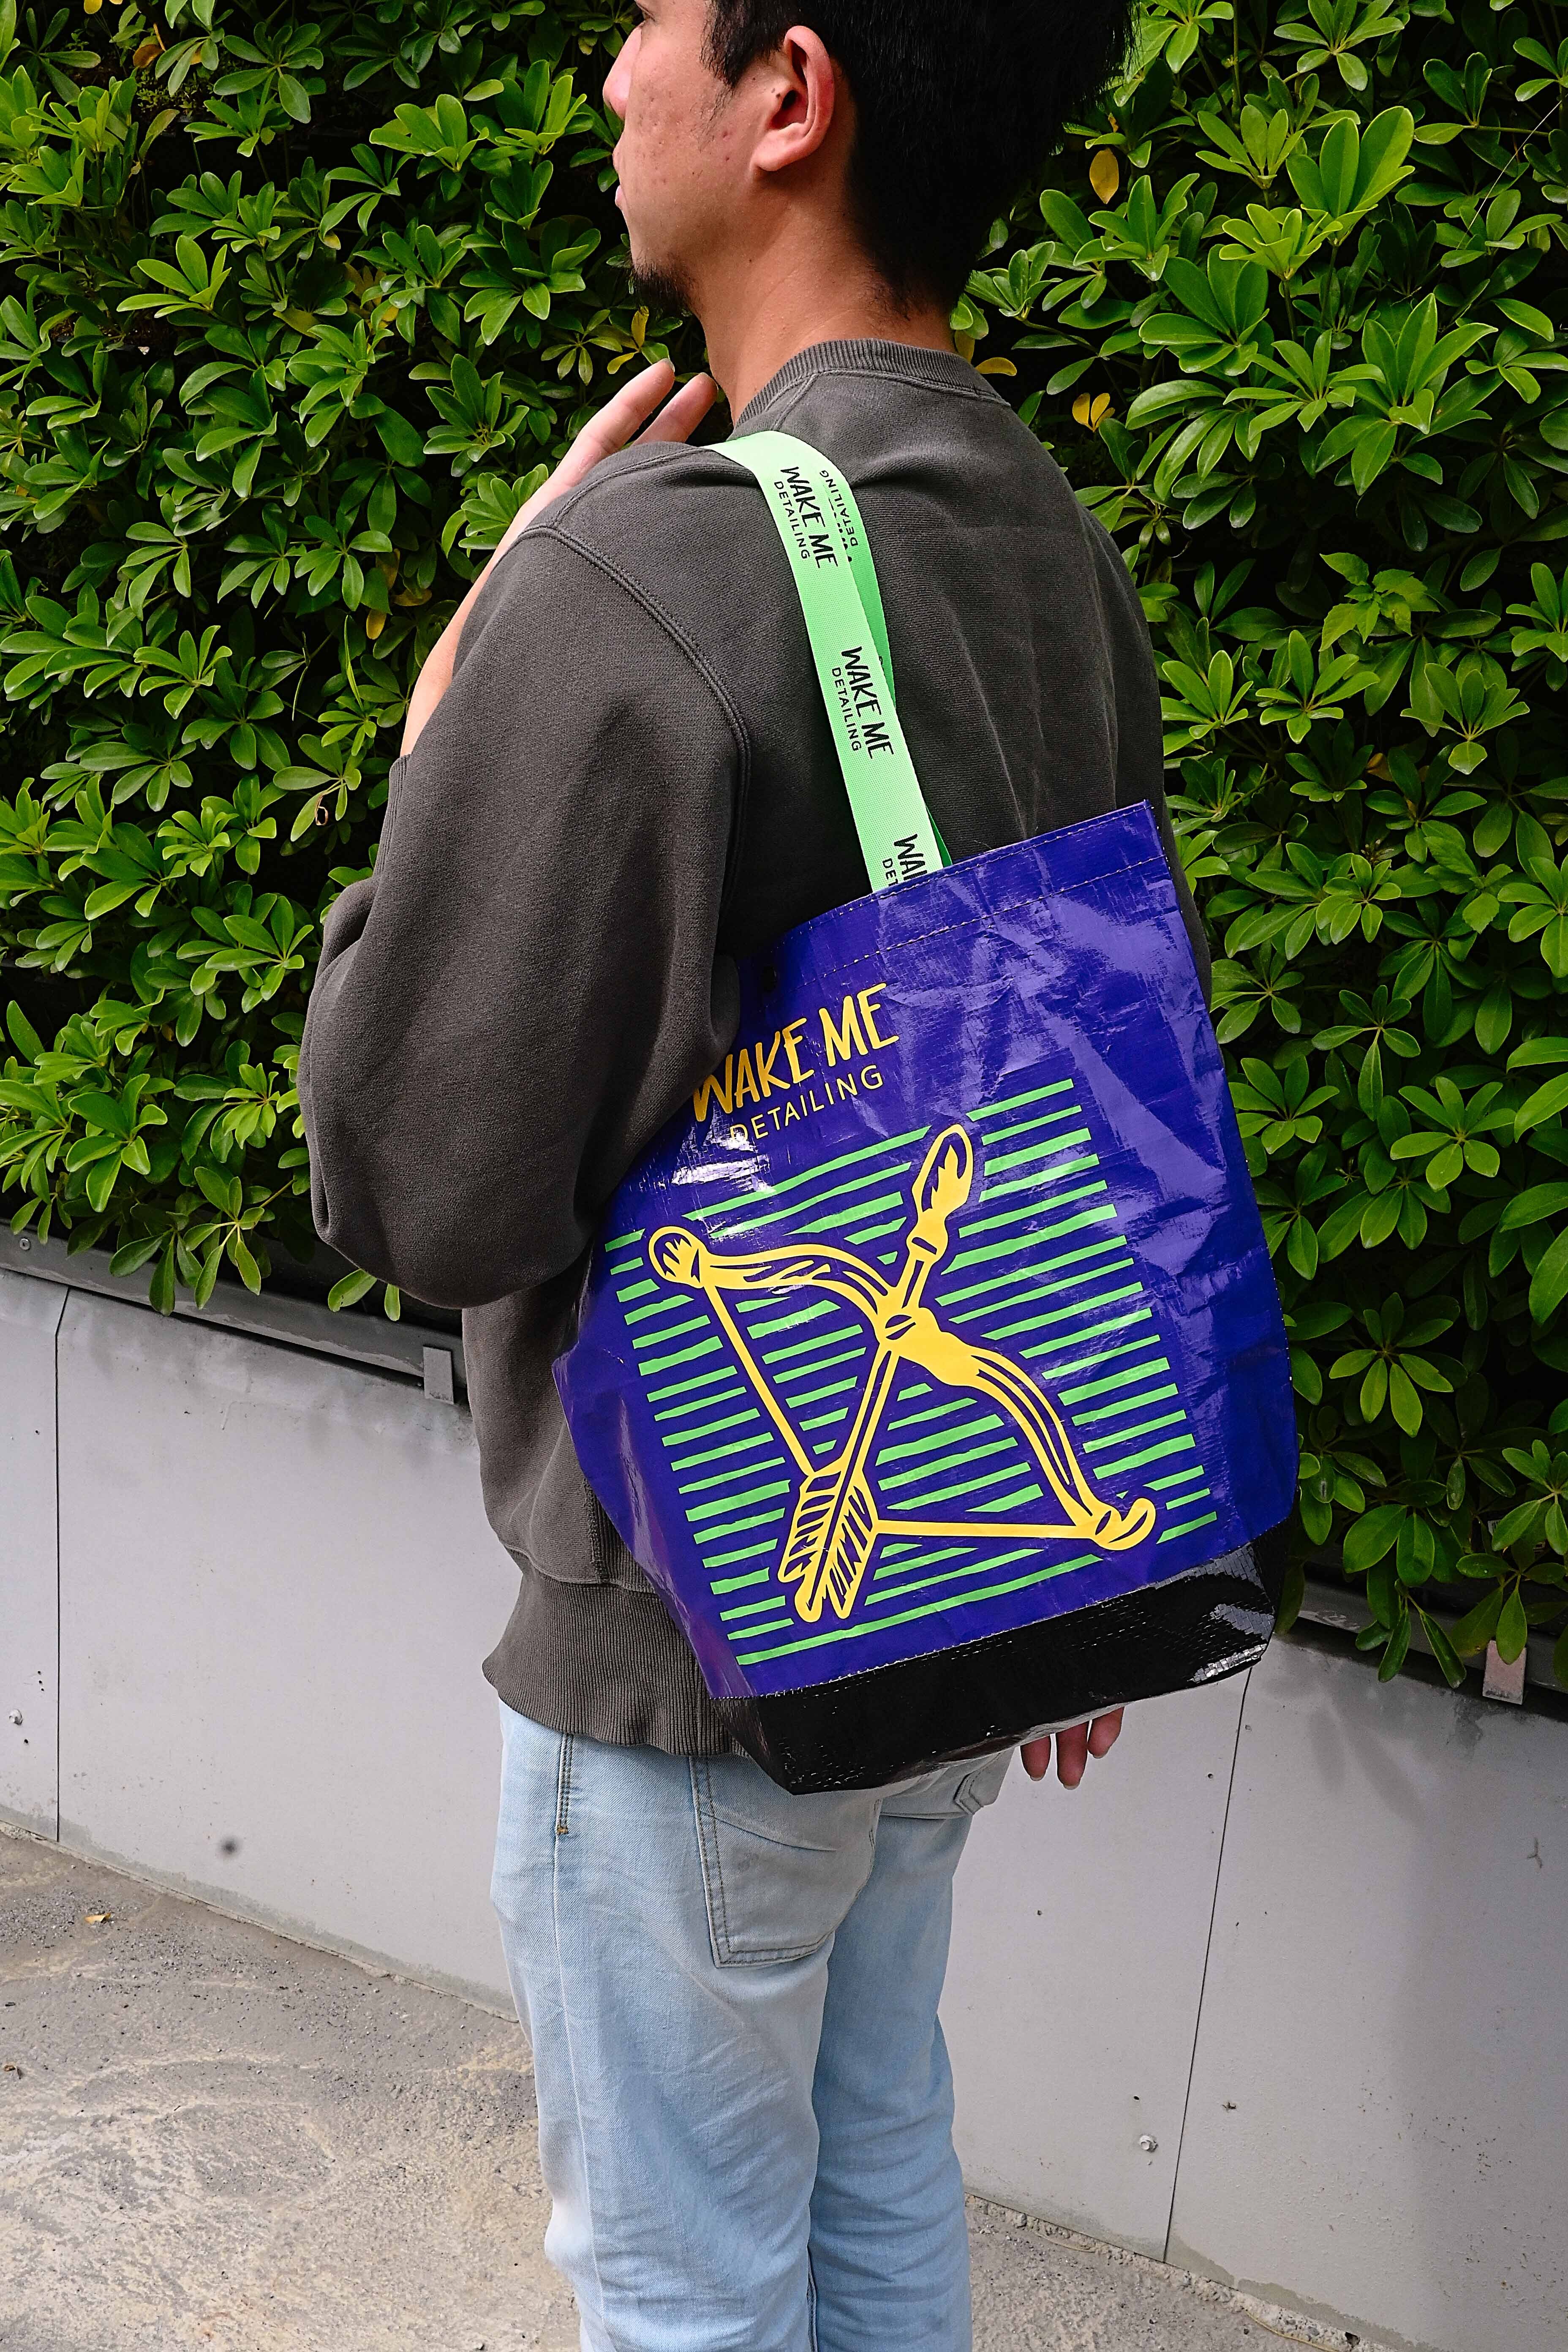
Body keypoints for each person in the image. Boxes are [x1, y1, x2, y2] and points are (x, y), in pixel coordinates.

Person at [299, 5, 1210, 2344]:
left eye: (646, 23)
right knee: (878, 2170)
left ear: (789, 95)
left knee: (682, 2283)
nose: (611, 76)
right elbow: (1091, 1051)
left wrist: (446, 730)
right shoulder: (1035, 530)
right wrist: (1072, 1552)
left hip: (704, 1623)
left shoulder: (652, 579)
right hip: (954, 1566)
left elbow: (421, 1176)